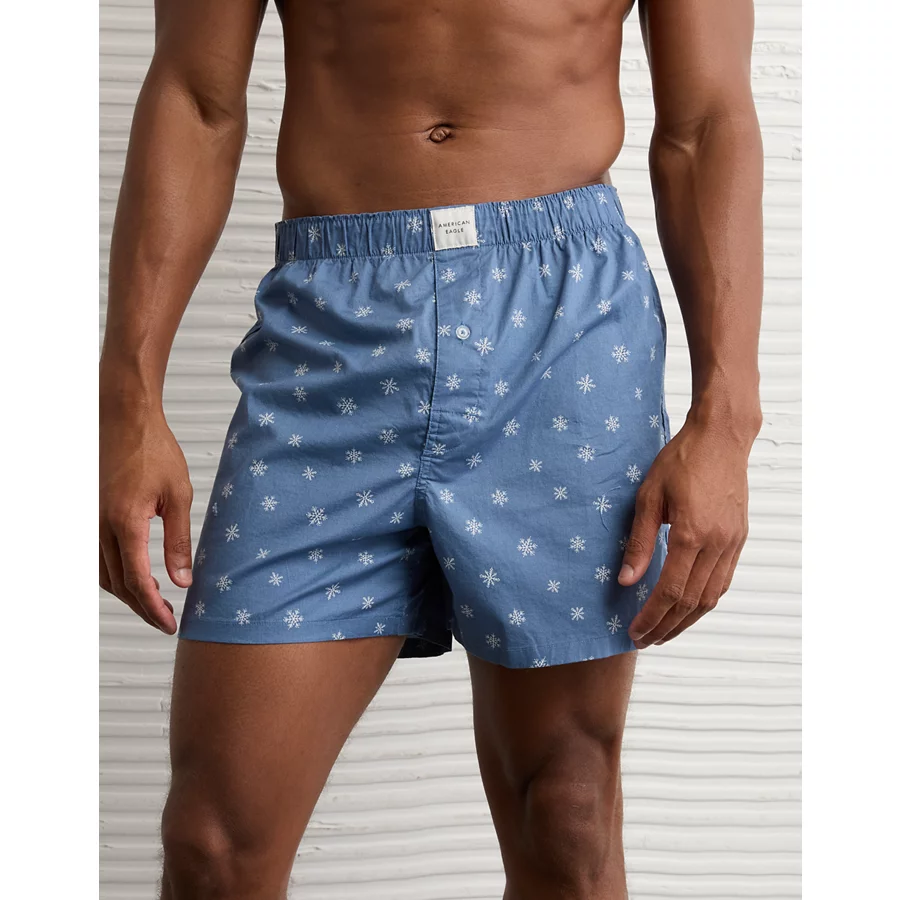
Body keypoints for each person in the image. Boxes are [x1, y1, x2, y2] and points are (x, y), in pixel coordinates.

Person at [99, 0, 763, 896]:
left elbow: (706, 122)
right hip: (330, 334)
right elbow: (194, 99)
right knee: (213, 842)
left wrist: (726, 420)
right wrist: (127, 402)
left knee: (565, 812)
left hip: (565, 327)